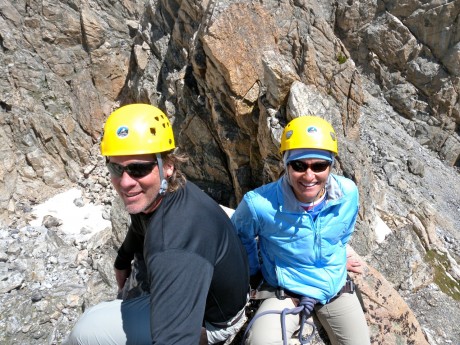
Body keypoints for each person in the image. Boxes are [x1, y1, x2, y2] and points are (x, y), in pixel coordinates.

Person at [65, 104, 249, 345]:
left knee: (86, 329)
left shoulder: (172, 245)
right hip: (223, 295)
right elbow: (139, 224)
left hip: (213, 322)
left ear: (168, 165)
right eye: (115, 168)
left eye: (138, 169)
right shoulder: (164, 193)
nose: (125, 182)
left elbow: (174, 339)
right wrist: (122, 260)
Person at [231, 115, 370, 345]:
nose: (309, 175)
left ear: (330, 165)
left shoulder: (348, 194)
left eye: (319, 166)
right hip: (286, 291)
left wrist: (336, 257)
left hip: (333, 286)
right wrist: (256, 270)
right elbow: (239, 235)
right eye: (298, 165)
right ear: (286, 164)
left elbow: (343, 233)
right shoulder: (259, 204)